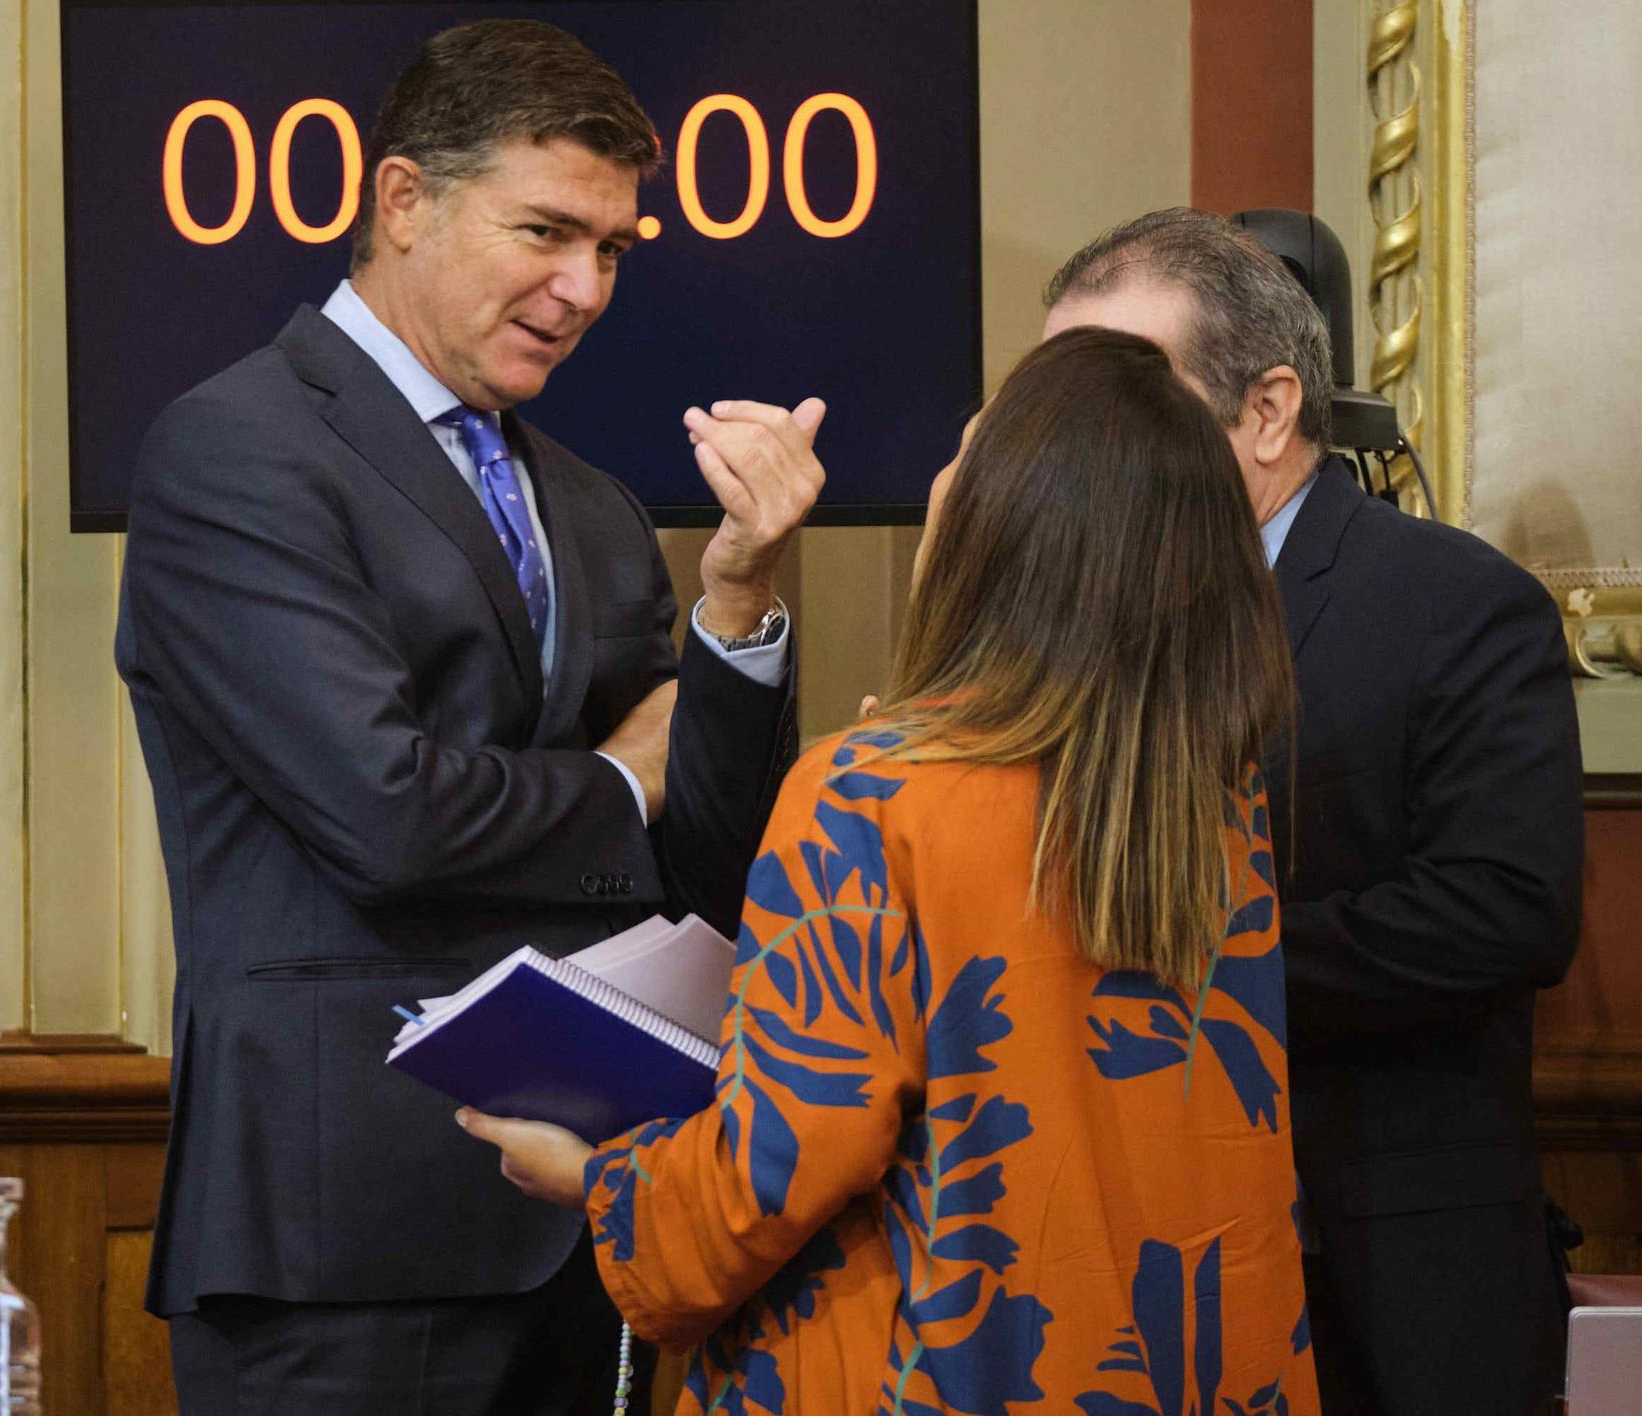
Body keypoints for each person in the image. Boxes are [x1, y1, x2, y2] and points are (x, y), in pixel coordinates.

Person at [115, 20, 820, 1413]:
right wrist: (618, 783)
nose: (583, 288)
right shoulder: (234, 450)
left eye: (613, 250)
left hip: (590, 1223)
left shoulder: (600, 508)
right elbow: (388, 814)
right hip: (348, 1242)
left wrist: (740, 612)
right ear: (401, 202)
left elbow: (711, 867)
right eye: (548, 231)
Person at [462, 327, 1321, 1414]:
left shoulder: (867, 793)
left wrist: (596, 1181)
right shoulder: (1214, 795)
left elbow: (774, 1165)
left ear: (996, 531)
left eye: (963, 461)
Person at [1042, 208, 1584, 1415]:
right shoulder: (1073, 624)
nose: (1076, 443)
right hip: (1126, 1280)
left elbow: (1508, 910)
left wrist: (1187, 962)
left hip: (1383, 1279)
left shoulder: (1451, 601)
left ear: (1268, 409)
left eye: (1118, 392)